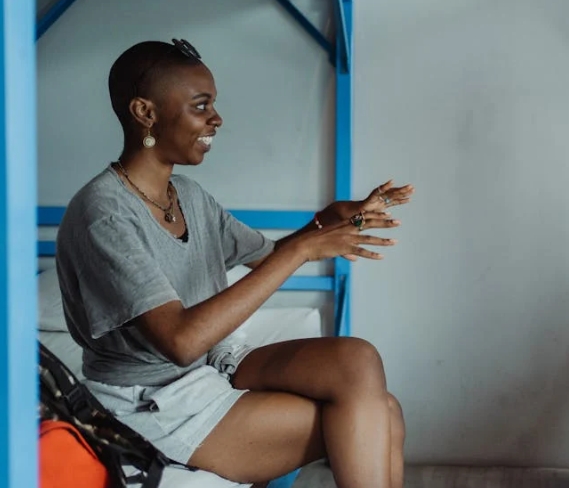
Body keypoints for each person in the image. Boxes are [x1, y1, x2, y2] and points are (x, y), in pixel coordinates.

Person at [55, 39, 413, 488]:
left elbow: (268, 257)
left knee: (357, 358)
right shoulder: (104, 215)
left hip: (208, 368)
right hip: (150, 400)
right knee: (383, 414)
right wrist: (303, 250)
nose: (216, 119)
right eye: (201, 106)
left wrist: (328, 220)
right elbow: (181, 342)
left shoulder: (188, 195)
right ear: (145, 113)